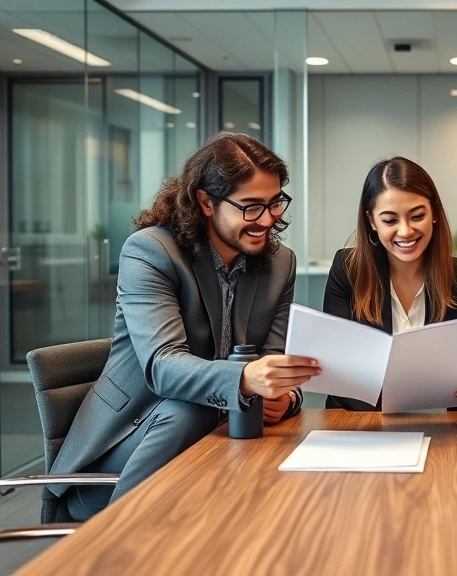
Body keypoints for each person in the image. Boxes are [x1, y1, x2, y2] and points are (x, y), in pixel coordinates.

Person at [50, 132, 320, 520]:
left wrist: (284, 397)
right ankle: (116, 544)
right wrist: (245, 380)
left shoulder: (280, 264)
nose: (268, 219)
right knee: (187, 410)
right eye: (250, 207)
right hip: (119, 456)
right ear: (206, 202)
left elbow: (273, 360)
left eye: (275, 202)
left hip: (219, 444)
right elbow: (163, 365)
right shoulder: (150, 252)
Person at [323, 156, 457, 412]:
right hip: (360, 425)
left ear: (434, 213)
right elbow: (337, 369)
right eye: (390, 220)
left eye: (417, 216)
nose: (405, 232)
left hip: (441, 428)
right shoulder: (348, 270)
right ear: (371, 221)